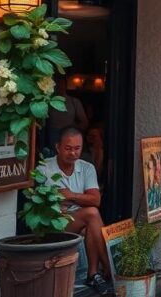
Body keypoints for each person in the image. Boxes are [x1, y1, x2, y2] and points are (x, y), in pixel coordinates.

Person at [38, 127, 114, 296]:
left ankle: (93, 274)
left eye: (77, 148)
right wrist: (81, 198)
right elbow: (42, 206)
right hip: (54, 223)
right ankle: (108, 269)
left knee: (90, 226)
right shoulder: (44, 168)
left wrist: (69, 195)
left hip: (78, 221)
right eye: (68, 148)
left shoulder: (86, 168)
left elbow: (95, 199)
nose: (73, 153)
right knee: (92, 213)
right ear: (58, 147)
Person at [44, 77, 89, 154]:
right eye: (56, 83)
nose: (58, 86)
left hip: (69, 138)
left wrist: (71, 128)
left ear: (65, 85)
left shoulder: (74, 102)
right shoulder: (46, 102)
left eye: (61, 83)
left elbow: (84, 123)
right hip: (51, 140)